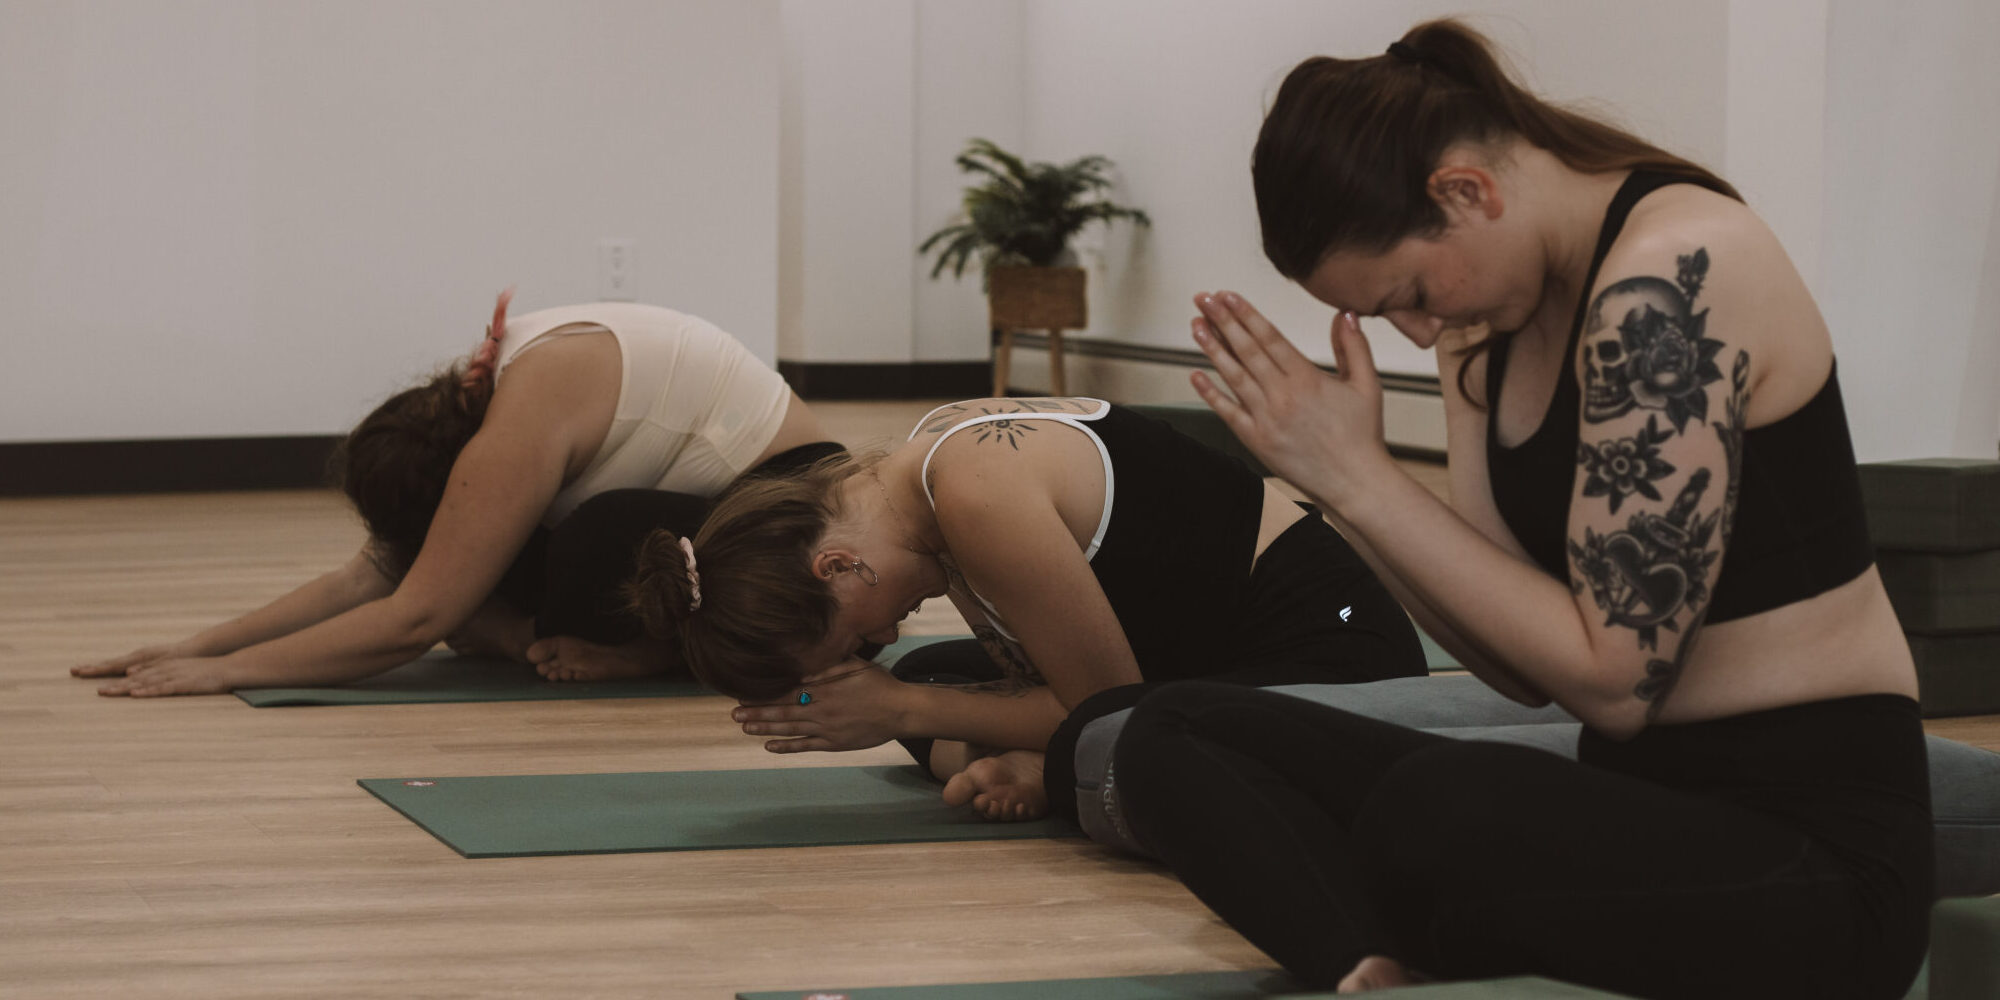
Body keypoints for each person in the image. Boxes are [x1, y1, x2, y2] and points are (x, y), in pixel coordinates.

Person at [1110, 19, 1930, 999]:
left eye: (1412, 290)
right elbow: (1512, 666)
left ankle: (1404, 934)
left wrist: (1364, 478)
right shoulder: (1483, 329)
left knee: (1436, 808)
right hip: (1631, 817)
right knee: (1168, 731)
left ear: (1465, 191)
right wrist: (1343, 488)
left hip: (1815, 858)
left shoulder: (1672, 282)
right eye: (1385, 316)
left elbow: (1612, 681)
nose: (1417, 329)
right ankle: (1369, 970)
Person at [628, 396, 1426, 820]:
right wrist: (907, 702)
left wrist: (900, 708)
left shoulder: (976, 495)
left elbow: (1107, 709)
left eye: (854, 637)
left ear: (836, 564)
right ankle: (1041, 766)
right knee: (939, 671)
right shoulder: (914, 482)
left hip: (1336, 659)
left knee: (1106, 743)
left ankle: (1051, 774)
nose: (882, 633)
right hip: (1193, 649)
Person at [75, 291, 837, 696]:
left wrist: (230, 673)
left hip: (799, 540)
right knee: (496, 561)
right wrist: (198, 644)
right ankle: (528, 633)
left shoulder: (514, 429)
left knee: (590, 542)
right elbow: (367, 575)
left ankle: (641, 655)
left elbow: (414, 619)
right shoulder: (482, 400)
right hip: (729, 512)